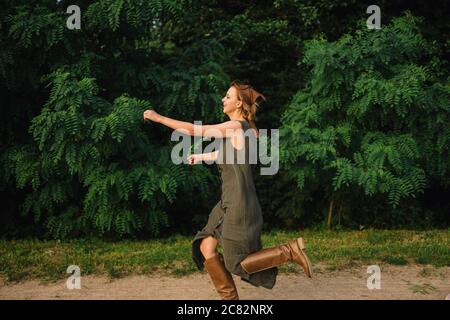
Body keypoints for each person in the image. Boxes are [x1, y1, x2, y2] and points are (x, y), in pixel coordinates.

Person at [143, 80, 312, 300]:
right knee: (206, 247)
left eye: (228, 96)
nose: (223, 99)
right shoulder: (246, 130)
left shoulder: (235, 127)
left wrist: (158, 118)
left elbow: (195, 130)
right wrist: (201, 156)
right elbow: (228, 155)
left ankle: (289, 251)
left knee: (236, 263)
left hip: (239, 204)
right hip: (227, 203)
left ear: (240, 103)